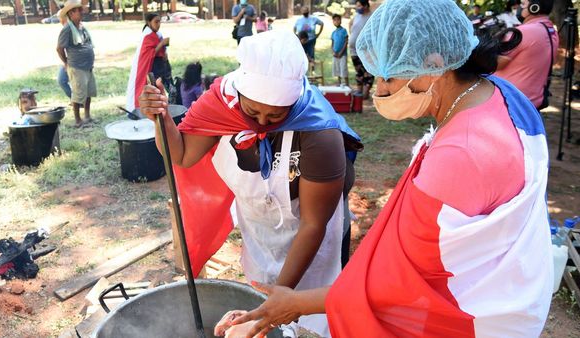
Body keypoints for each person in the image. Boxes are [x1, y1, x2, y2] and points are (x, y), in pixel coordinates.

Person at [228, 0, 551, 337]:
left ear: (434, 65)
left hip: (472, 317)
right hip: (515, 289)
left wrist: (296, 303)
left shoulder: (461, 154)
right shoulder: (503, 94)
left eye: (389, 77)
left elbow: (400, 287)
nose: (379, 91)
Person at [139, 30, 361, 337]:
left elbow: (313, 224)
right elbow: (183, 154)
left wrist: (280, 297)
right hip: (259, 228)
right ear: (240, 93)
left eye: (275, 116)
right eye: (252, 111)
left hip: (312, 235)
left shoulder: (320, 133)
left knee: (311, 319)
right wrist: (161, 118)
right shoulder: (220, 104)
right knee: (260, 289)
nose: (260, 123)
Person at [494, 0, 558, 109]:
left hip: (511, 104)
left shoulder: (523, 32)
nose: (519, 7)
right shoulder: (550, 30)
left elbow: (493, 62)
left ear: (534, 7)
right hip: (532, 101)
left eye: (523, 4)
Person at [56, 0, 96, 127]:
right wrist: (66, 62)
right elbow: (59, 48)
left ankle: (87, 116)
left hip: (88, 66)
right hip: (76, 66)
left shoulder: (82, 27)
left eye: (80, 9)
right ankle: (78, 120)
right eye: (78, 10)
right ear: (71, 13)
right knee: (78, 94)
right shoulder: (67, 29)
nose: (81, 12)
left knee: (88, 92)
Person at [125, 13, 171, 113]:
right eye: (156, 22)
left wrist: (164, 49)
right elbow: (150, 54)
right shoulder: (147, 36)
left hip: (158, 67)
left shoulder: (157, 34)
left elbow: (160, 51)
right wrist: (162, 43)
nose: (158, 24)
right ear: (149, 22)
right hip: (150, 68)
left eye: (159, 22)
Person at [349, 0, 373, 99]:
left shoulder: (372, 17)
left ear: (366, 6)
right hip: (354, 50)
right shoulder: (357, 15)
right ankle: (359, 92)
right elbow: (351, 24)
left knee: (368, 71)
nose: (357, 8)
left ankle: (366, 93)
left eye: (359, 6)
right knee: (359, 71)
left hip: (366, 50)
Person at [56, 10, 71, 98]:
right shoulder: (76, 26)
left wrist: (66, 62)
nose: (60, 21)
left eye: (60, 19)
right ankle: (76, 100)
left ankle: (76, 101)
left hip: (72, 60)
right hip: (73, 59)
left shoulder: (67, 28)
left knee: (62, 80)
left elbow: (59, 48)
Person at [331, 14, 348, 86]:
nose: (336, 21)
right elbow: (332, 43)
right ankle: (339, 82)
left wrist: (341, 52)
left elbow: (346, 42)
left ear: (341, 21)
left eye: (338, 19)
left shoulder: (344, 30)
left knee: (343, 68)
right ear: (333, 22)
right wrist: (333, 52)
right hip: (335, 54)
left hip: (342, 54)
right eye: (334, 20)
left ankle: (347, 84)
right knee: (337, 69)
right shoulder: (333, 33)